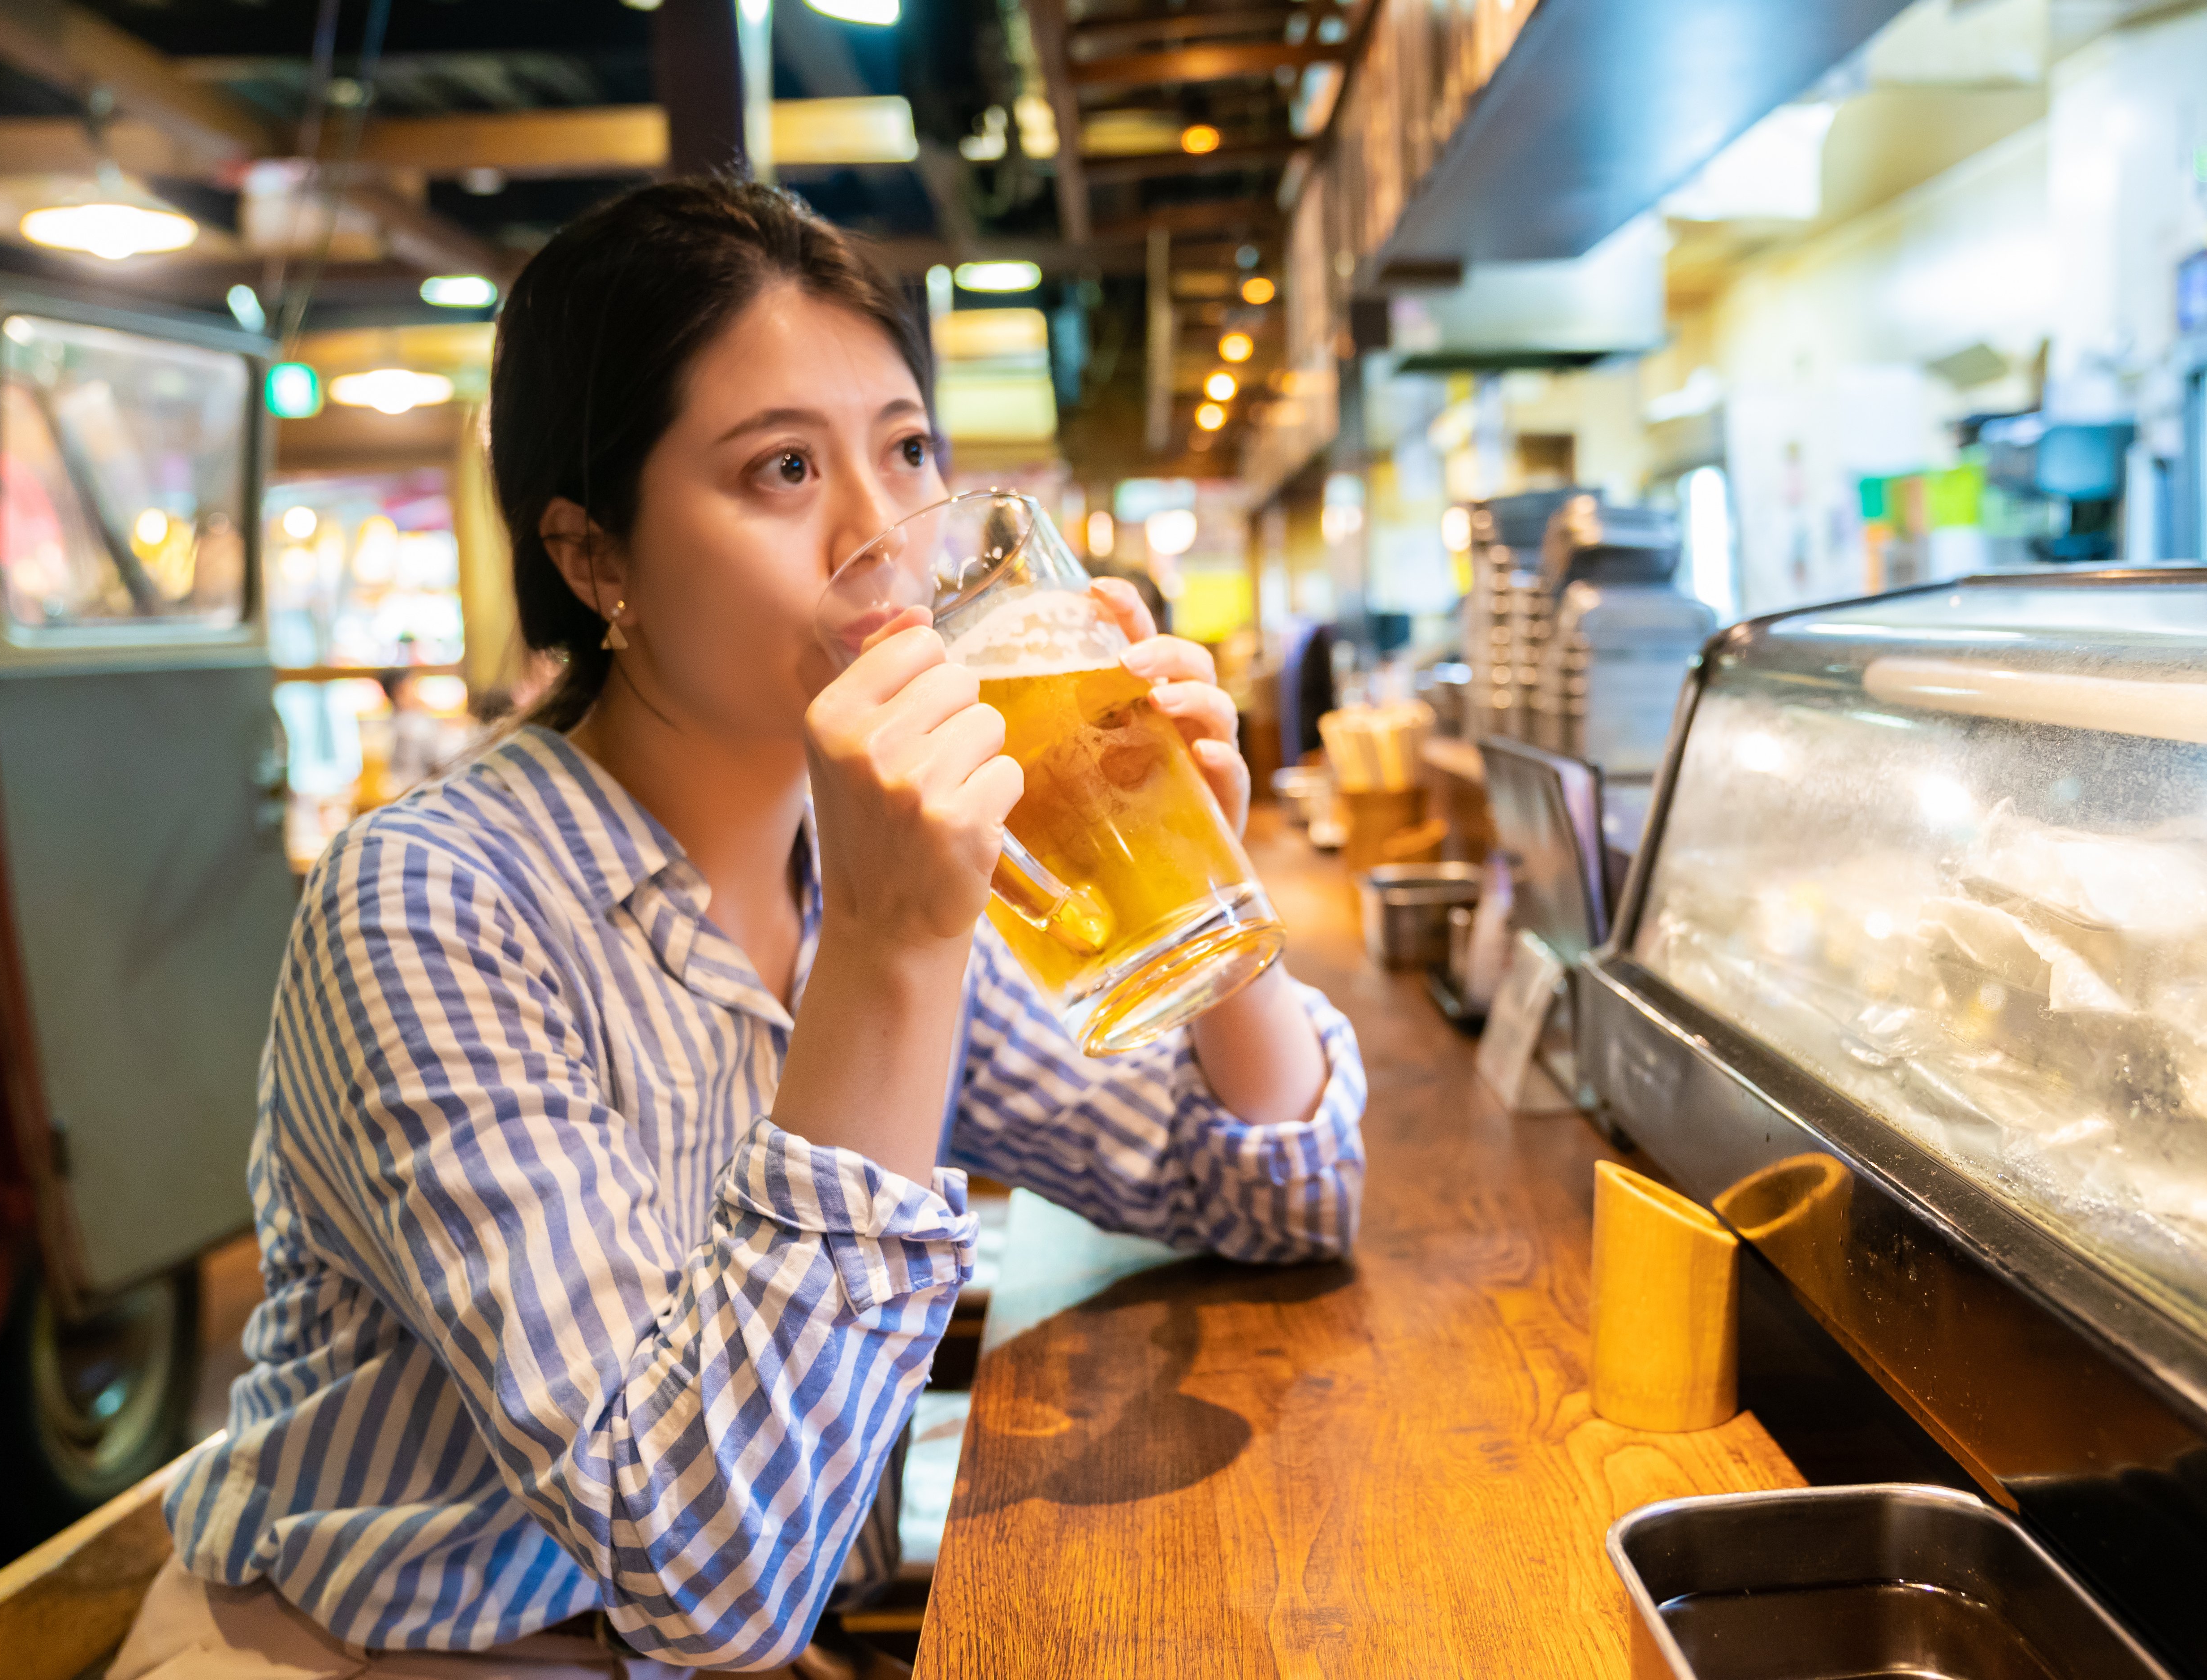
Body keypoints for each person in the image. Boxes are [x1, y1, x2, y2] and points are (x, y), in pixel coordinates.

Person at [111, 177, 1366, 1678]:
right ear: (597, 562)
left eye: (907, 451)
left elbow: (1285, 1197)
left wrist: (1197, 872)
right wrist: (894, 955)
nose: (887, 539)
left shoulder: (853, 864)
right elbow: (704, 1576)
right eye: (782, 469)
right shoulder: (435, 901)